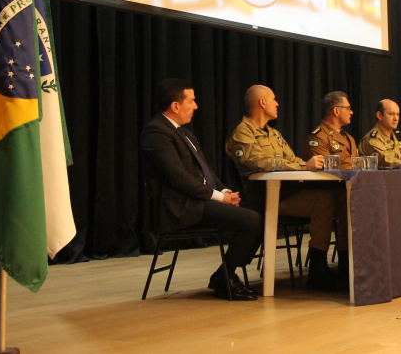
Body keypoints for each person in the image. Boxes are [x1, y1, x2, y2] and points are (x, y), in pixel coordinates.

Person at [140, 78, 263, 301]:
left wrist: (225, 192)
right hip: (179, 206)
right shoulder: (156, 133)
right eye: (192, 101)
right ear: (176, 106)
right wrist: (218, 197)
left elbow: (207, 172)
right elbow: (178, 177)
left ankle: (224, 275)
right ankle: (225, 277)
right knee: (251, 220)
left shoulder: (185, 133)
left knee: (262, 215)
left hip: (198, 200)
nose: (196, 106)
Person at [225, 85, 348, 291]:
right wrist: (303, 166)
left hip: (286, 194)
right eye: (273, 99)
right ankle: (317, 270)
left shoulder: (274, 134)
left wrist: (304, 164)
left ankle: (342, 265)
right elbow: (258, 162)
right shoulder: (242, 134)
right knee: (323, 200)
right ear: (262, 103)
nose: (277, 103)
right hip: (263, 199)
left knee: (338, 196)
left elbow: (291, 159)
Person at [305, 91, 359, 169]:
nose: (351, 112)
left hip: (352, 180)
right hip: (333, 180)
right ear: (336, 111)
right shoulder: (318, 138)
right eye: (348, 109)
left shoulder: (349, 137)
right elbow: (327, 168)